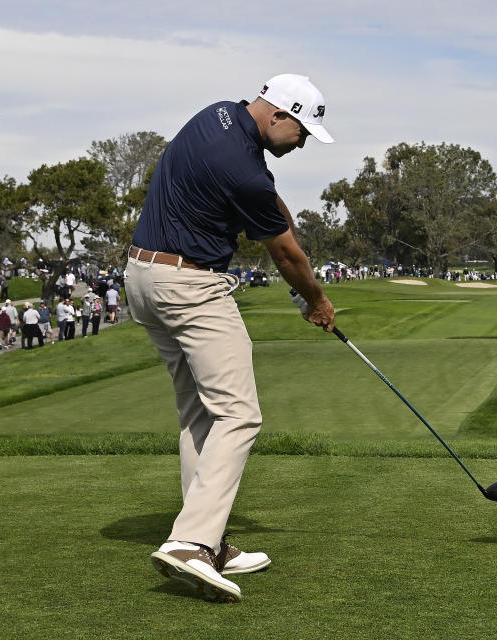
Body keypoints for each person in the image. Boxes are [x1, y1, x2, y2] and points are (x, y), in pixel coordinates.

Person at [127, 73, 335, 603]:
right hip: (190, 286)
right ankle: (191, 542)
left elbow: (269, 199)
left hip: (144, 277)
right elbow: (286, 255)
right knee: (240, 414)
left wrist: (282, 219)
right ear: (279, 115)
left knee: (203, 413)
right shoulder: (243, 170)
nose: (304, 141)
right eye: (303, 131)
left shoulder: (219, 114)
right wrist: (315, 300)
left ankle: (210, 540)